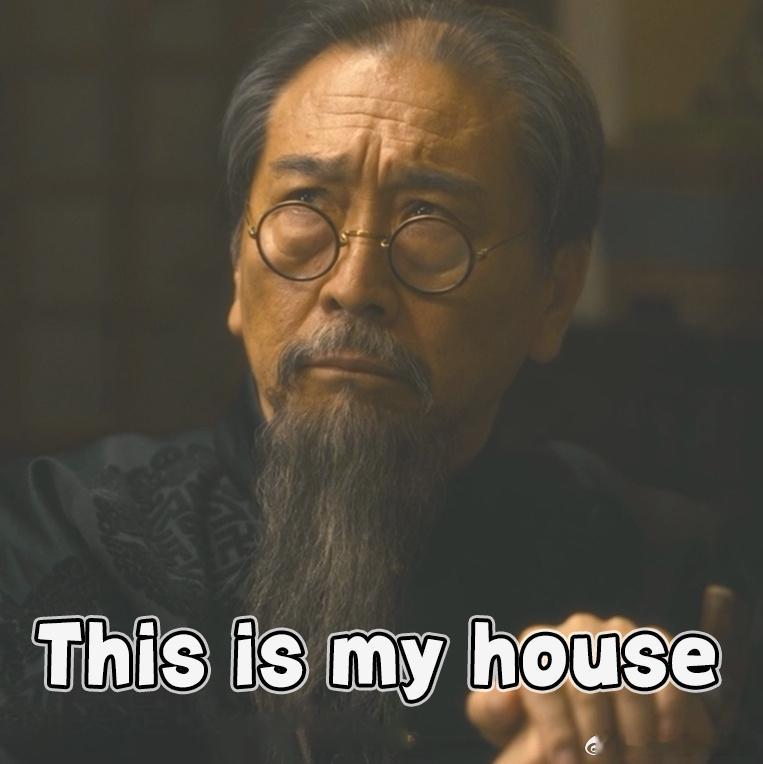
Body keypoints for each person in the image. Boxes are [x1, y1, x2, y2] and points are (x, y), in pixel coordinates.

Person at [0, 1, 756, 762]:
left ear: (553, 294)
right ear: (236, 263)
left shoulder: (663, 582)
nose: (353, 285)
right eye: (304, 209)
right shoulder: (59, 547)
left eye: (431, 226)